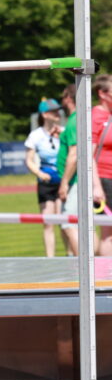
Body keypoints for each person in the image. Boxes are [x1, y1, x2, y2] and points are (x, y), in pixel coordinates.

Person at [25, 99, 64, 256]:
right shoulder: (36, 135)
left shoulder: (64, 132)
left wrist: (62, 136)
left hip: (63, 182)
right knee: (48, 223)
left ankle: (71, 256)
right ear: (44, 114)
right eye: (54, 111)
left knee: (65, 222)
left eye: (58, 110)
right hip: (46, 184)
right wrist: (40, 174)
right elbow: (29, 160)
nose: (58, 113)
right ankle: (50, 259)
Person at [57, 83, 81, 255]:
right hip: (78, 181)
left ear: (68, 98)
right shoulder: (78, 119)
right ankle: (94, 264)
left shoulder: (74, 121)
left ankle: (85, 265)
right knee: (85, 226)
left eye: (62, 97)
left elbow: (74, 154)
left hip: (75, 181)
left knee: (68, 223)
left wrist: (64, 182)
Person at [90, 76, 112, 256]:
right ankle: (106, 272)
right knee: (109, 232)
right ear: (102, 94)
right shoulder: (95, 117)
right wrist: (96, 187)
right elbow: (87, 156)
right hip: (105, 179)